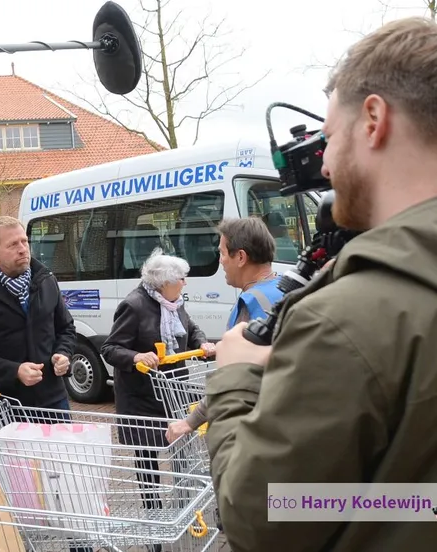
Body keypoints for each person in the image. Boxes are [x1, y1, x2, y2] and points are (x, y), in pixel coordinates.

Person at [207, 17, 437, 551]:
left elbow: (263, 517)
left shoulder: (346, 321)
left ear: (374, 120)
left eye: (330, 138)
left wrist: (236, 375)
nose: (325, 164)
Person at [100, 250, 215, 515]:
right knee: (147, 456)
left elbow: (190, 327)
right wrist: (137, 355)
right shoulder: (134, 305)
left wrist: (202, 342)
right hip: (141, 397)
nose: (185, 283)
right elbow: (110, 348)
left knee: (180, 448)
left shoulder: (173, 301)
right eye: (181, 279)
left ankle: (184, 504)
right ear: (164, 283)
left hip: (172, 391)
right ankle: (153, 510)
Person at [166, 217, 281, 443]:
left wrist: (189, 423)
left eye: (222, 253)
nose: (220, 261)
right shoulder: (285, 286)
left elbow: (231, 380)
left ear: (240, 257)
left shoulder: (252, 304)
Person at [0, 215, 76, 422]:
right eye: (12, 245)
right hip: (8, 404)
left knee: (61, 455)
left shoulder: (46, 281)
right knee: (18, 457)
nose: (22, 249)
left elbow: (66, 328)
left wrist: (63, 354)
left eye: (24, 241)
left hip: (53, 399)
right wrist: (14, 371)